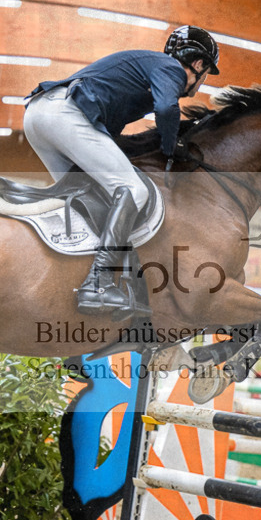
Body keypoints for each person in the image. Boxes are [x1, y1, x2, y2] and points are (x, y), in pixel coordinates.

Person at [23, 25, 220, 320]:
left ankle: (70, 277)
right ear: (199, 64)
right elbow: (167, 109)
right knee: (134, 190)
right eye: (205, 75)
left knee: (88, 197)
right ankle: (99, 283)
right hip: (63, 114)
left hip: (38, 116)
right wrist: (171, 147)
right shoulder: (170, 69)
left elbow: (110, 136)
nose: (201, 83)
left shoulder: (143, 75)